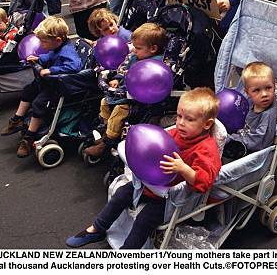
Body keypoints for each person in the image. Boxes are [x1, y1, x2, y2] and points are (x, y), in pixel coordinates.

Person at [66, 87, 222, 249]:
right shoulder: (176, 132)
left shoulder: (206, 150)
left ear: (206, 124)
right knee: (121, 194)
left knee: (145, 219)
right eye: (179, 116)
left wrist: (184, 169)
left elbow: (205, 183)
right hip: (151, 184)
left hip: (171, 198)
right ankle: (97, 228)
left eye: (189, 119)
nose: (181, 123)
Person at [0, 16, 83, 157]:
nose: (41, 44)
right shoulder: (56, 47)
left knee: (39, 103)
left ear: (57, 40)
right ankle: (17, 119)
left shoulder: (66, 50)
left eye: (43, 41)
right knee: (28, 90)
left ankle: (29, 137)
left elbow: (75, 66)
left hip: (60, 86)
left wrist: (51, 70)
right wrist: (39, 59)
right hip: (50, 82)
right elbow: (50, 56)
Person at [84, 22, 167, 158]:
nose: (134, 50)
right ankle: (106, 130)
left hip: (137, 100)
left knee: (119, 110)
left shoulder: (155, 65)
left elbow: (151, 84)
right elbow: (124, 69)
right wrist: (117, 79)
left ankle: (107, 142)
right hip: (124, 91)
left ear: (153, 49)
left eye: (138, 48)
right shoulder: (136, 57)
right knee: (105, 102)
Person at [223, 62, 277, 161]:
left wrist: (234, 138)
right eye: (257, 90)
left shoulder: (268, 114)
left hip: (252, 150)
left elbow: (260, 142)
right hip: (241, 135)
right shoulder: (250, 102)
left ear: (275, 86)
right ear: (247, 93)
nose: (264, 94)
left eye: (268, 88)